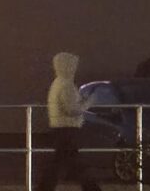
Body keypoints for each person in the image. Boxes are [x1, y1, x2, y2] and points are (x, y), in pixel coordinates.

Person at [36, 52, 101, 191]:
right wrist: (88, 103)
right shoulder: (66, 85)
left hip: (60, 128)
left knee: (61, 163)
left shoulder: (57, 83)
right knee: (72, 163)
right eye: (73, 65)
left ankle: (44, 188)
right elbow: (72, 110)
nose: (74, 68)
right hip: (68, 128)